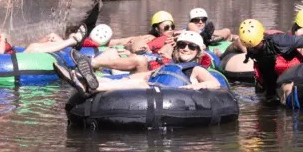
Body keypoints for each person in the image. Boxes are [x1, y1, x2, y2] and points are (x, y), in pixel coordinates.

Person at [54, 31, 220, 95]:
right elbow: (147, 75)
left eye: (191, 47)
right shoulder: (170, 65)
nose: (185, 49)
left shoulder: (196, 68)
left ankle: (92, 85)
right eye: (182, 45)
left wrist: (195, 86)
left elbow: (213, 83)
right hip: (156, 83)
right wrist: (123, 78)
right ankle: (82, 80)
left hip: (171, 91)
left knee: (139, 85)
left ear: (198, 52)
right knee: (134, 80)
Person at [229, 18, 303, 98]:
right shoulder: (251, 46)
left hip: (291, 73)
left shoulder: (280, 41)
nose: (253, 50)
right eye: (251, 48)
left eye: (256, 46)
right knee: (266, 94)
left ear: (262, 39)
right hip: (271, 75)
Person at [0, 10, 86, 55]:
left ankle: (73, 52)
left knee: (50, 36)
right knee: (33, 48)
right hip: (11, 61)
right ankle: (72, 41)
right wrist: (3, 38)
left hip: (15, 55)